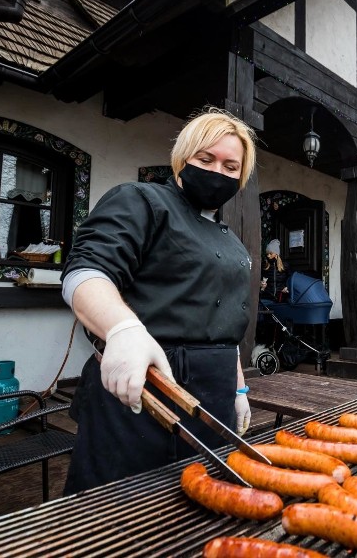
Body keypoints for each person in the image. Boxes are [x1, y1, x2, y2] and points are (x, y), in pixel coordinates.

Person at [59, 108, 257, 494]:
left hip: (214, 401)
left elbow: (226, 322)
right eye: (206, 159)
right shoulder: (140, 201)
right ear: (183, 158)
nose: (218, 171)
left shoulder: (233, 241)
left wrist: (239, 388)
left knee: (205, 509)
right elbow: (86, 273)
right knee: (119, 519)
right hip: (142, 392)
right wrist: (123, 329)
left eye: (231, 166)